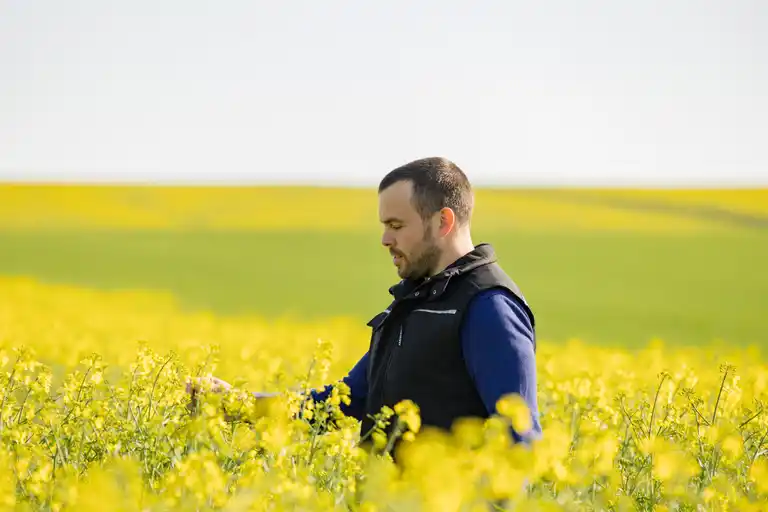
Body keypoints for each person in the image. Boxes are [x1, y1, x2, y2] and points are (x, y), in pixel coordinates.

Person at [188, 157, 541, 453]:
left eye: (397, 225)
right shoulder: (414, 303)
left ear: (443, 221)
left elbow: (519, 440)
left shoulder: (488, 306)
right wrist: (240, 404)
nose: (386, 239)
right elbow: (344, 400)